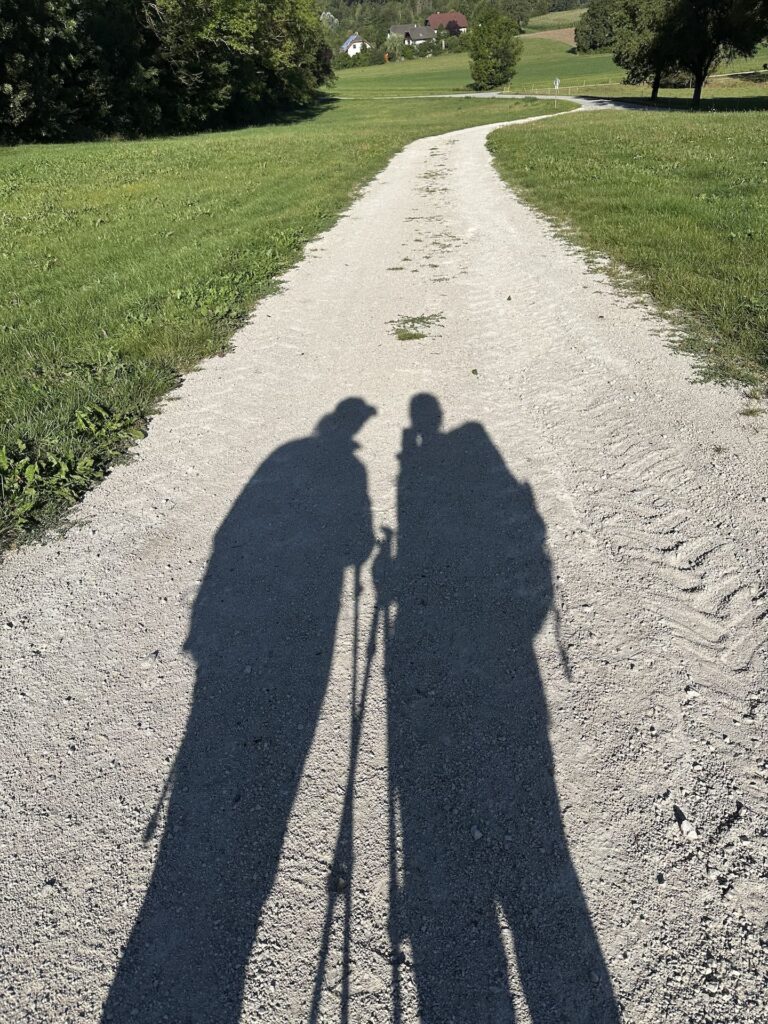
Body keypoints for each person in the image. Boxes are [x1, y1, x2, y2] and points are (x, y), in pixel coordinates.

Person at [102, 398, 375, 1024]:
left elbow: (232, 539)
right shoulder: (344, 466)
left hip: (219, 641)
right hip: (304, 626)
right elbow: (356, 543)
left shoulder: (287, 457)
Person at [381, 394, 619, 1023]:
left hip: (448, 637)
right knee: (541, 834)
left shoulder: (421, 465)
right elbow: (528, 545)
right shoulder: (477, 466)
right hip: (512, 659)